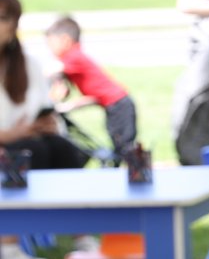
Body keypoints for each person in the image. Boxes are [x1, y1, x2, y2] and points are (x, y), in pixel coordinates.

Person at [0, 0, 90, 259]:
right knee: (30, 151)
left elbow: (43, 108)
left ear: (15, 24)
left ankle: (82, 235)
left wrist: (47, 124)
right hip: (13, 145)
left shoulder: (28, 65)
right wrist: (16, 134)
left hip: (27, 140)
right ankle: (9, 246)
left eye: (3, 18)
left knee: (62, 147)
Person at [43, 15, 139, 159]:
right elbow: (64, 89)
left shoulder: (74, 56)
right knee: (119, 146)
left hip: (119, 105)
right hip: (115, 106)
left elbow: (50, 71)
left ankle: (136, 173)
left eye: (51, 44)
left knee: (125, 149)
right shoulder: (73, 57)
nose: (49, 49)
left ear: (65, 40)